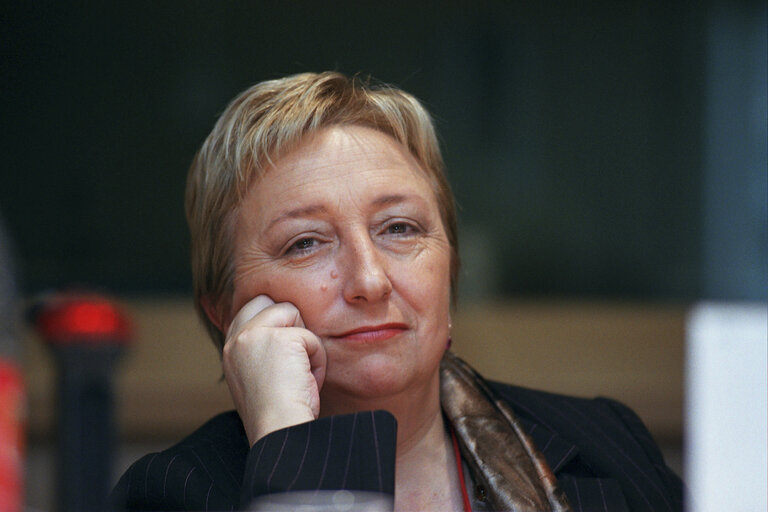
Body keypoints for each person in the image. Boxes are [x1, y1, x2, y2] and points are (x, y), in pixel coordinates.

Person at [112, 72, 683, 512]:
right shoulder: (174, 493)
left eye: (399, 229)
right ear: (225, 311)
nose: (369, 281)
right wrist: (291, 444)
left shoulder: (609, 442)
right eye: (306, 243)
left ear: (451, 271)